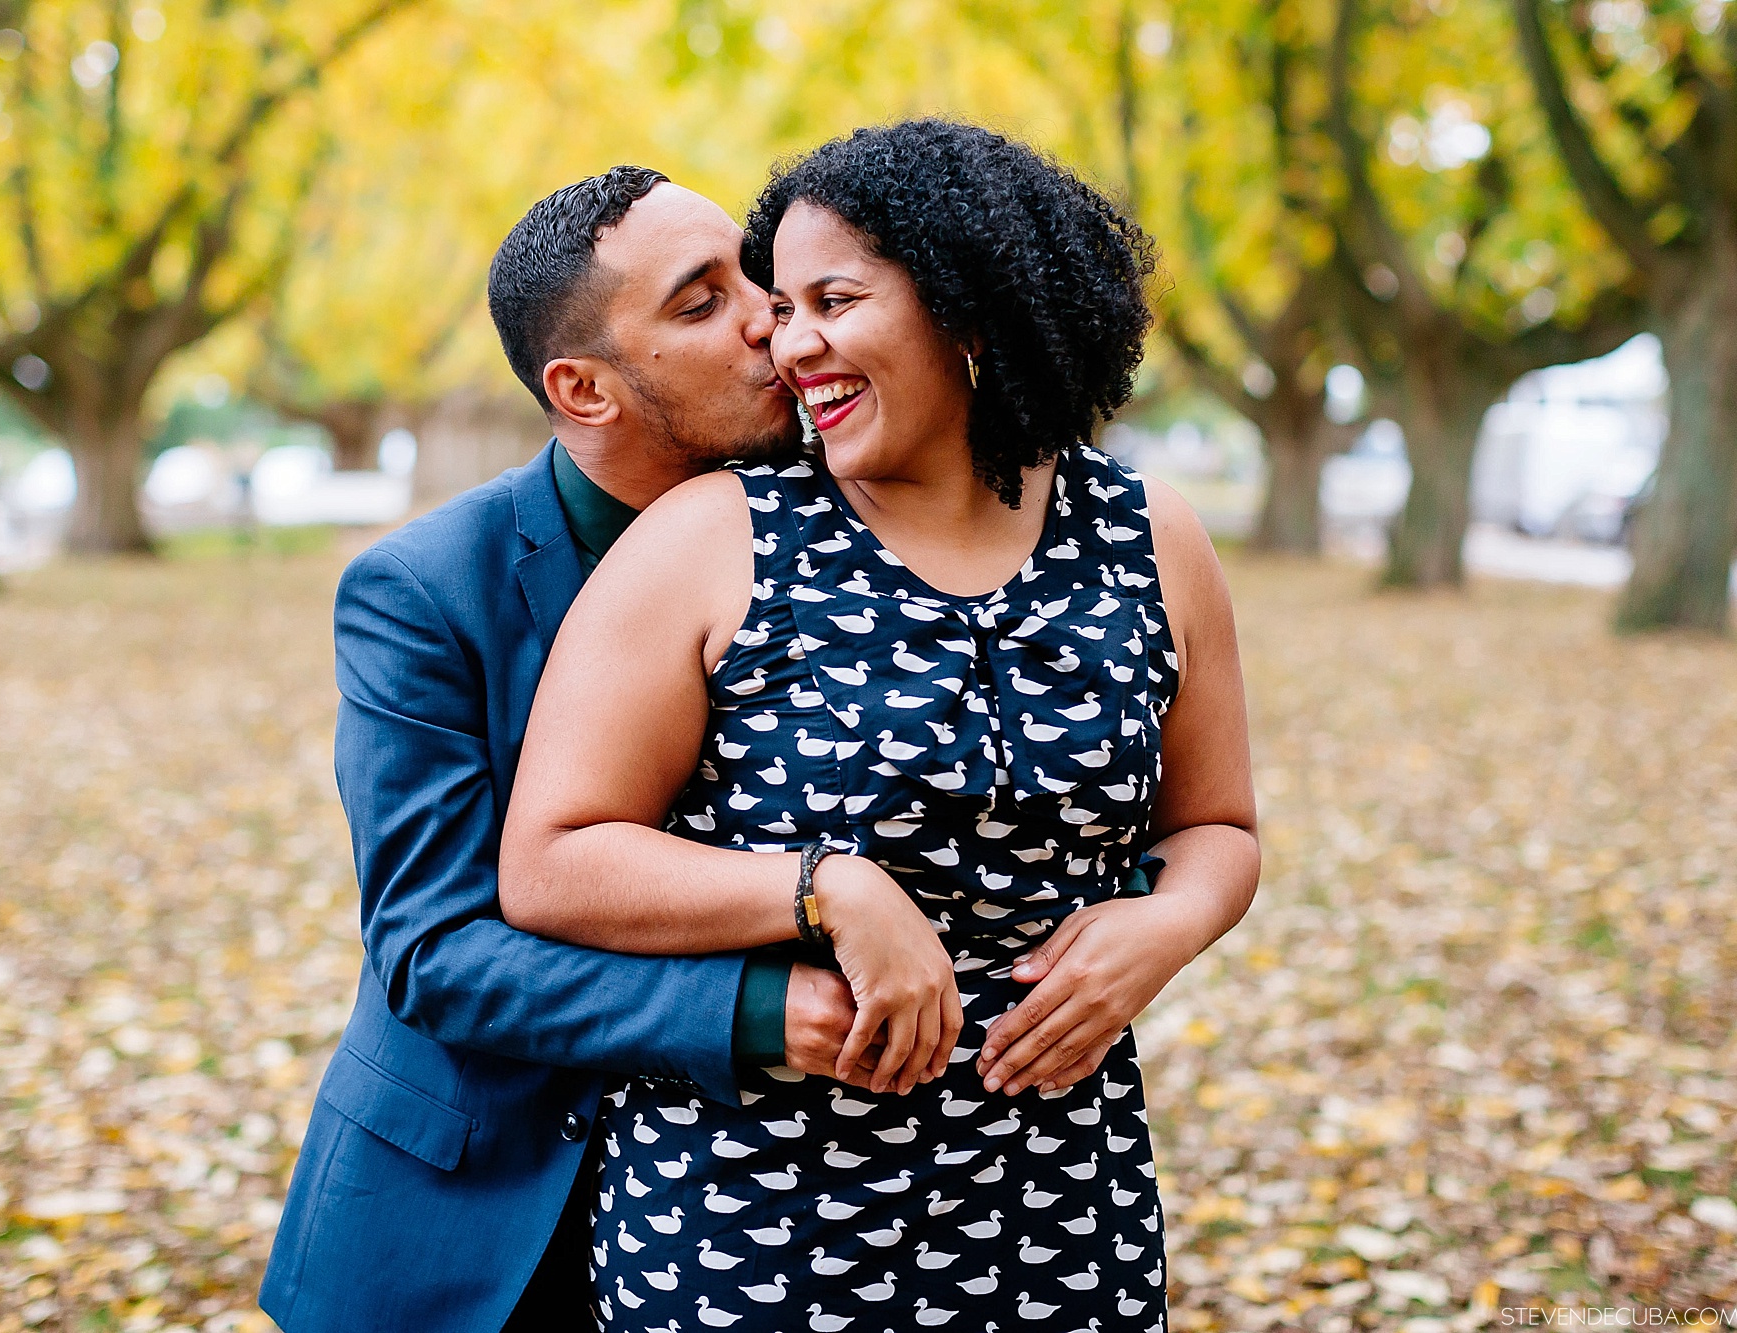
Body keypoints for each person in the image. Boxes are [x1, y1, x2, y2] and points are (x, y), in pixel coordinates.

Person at [498, 119, 1261, 1329]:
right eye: (777, 305)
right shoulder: (713, 539)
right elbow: (552, 860)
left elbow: (1216, 823)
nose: (788, 341)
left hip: (1063, 1198)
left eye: (831, 300)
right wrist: (819, 885)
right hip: (751, 1223)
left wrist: (1164, 924)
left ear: (966, 303)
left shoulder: (1149, 536)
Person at [260, 167, 888, 1333]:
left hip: (775, 1222)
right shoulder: (424, 591)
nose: (769, 315)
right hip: (475, 1226)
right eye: (701, 304)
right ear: (583, 389)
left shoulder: (856, 525)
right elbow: (434, 948)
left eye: (753, 275)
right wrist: (746, 1009)